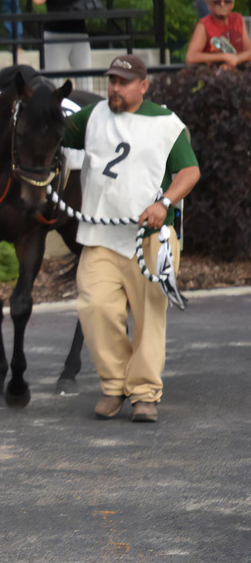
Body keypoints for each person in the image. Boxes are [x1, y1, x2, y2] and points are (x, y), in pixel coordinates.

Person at [62, 54, 200, 424]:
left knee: (149, 317)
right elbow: (54, 132)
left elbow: (189, 171)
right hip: (99, 237)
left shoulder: (167, 124)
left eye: (123, 82)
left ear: (143, 85)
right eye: (112, 81)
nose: (115, 88)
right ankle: (115, 383)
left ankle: (143, 393)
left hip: (151, 237)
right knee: (95, 308)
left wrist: (165, 202)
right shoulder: (92, 116)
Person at [185, 0, 251, 68]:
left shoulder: (237, 19)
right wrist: (223, 57)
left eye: (227, 1)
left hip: (239, 72)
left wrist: (237, 59)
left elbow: (249, 51)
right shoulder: (204, 25)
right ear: (209, 4)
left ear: (232, 4)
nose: (222, 4)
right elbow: (190, 58)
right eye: (217, 1)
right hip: (213, 74)